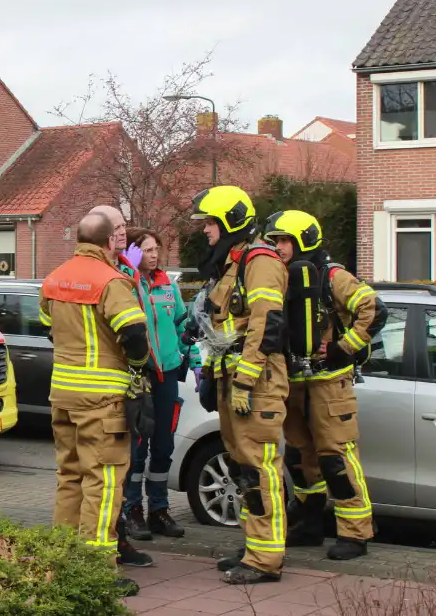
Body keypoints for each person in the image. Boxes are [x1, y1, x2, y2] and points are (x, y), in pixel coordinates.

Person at [39, 212, 155, 591]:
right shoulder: (112, 281)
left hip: (63, 393)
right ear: (108, 243)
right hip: (102, 399)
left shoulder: (54, 278)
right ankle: (96, 572)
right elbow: (134, 333)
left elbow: (48, 327)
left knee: (69, 476)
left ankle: (62, 562)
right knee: (103, 483)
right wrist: (137, 371)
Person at [262, 210, 383, 562]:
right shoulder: (279, 278)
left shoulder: (332, 277)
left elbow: (374, 310)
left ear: (303, 240)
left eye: (284, 240)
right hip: (295, 382)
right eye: (276, 241)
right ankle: (309, 523)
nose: (279, 247)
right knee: (300, 458)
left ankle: (355, 533)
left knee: (336, 458)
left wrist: (344, 350)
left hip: (330, 384)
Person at [189, 186, 290, 585]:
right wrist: (215, 378)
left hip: (258, 382)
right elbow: (226, 328)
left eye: (210, 223)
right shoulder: (234, 263)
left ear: (230, 221)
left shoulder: (259, 261)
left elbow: (268, 325)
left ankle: (266, 559)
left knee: (259, 469)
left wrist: (245, 381)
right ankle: (255, 547)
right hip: (236, 380)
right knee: (242, 466)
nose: (205, 231)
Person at [116, 228, 202, 541]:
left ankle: (159, 509)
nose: (154, 255)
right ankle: (133, 509)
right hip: (141, 376)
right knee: (138, 448)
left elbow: (183, 330)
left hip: (169, 373)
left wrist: (194, 362)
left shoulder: (168, 286)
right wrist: (132, 258)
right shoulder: (128, 283)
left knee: (164, 447)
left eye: (156, 250)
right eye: (147, 250)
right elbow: (125, 267)